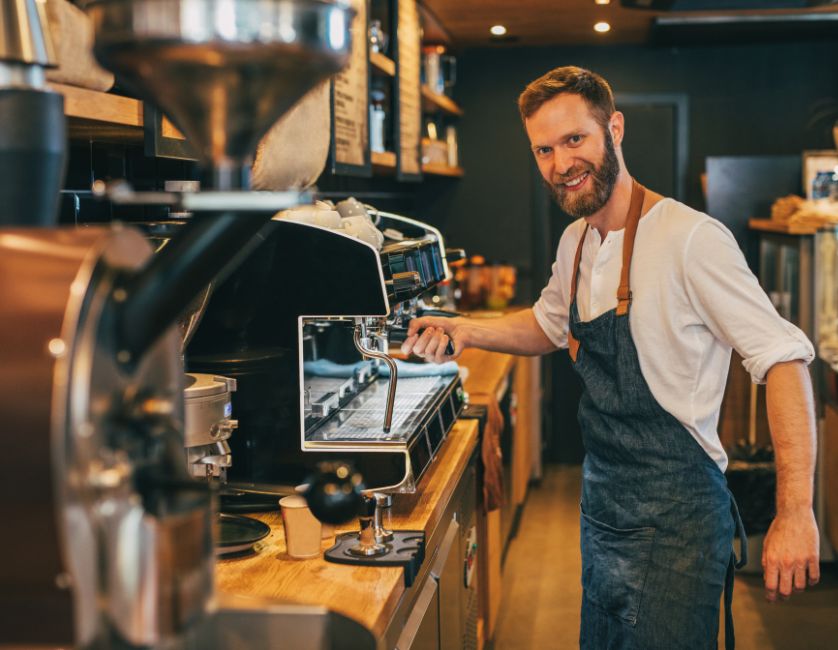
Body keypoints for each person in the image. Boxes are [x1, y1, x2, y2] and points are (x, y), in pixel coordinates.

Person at [401, 66, 820, 649]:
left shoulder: (689, 239)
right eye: (543, 149)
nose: (560, 163)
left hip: (678, 526)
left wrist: (795, 511)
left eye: (575, 140)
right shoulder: (575, 241)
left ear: (613, 129)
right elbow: (548, 324)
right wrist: (464, 329)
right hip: (603, 512)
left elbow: (784, 360)